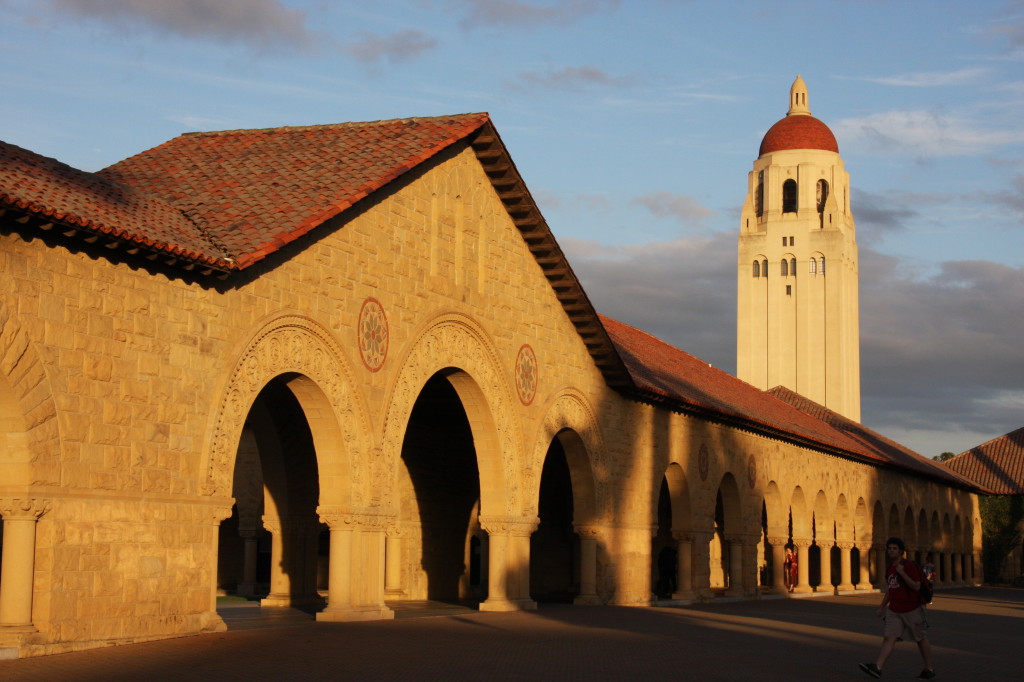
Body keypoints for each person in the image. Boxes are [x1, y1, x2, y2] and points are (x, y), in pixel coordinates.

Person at [860, 537, 935, 679]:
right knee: (889, 638)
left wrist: (902, 573)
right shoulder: (890, 569)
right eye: (889, 548)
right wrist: (882, 607)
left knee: (920, 638)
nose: (891, 551)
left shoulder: (909, 566)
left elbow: (916, 586)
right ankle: (878, 667)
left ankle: (929, 668)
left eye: (894, 548)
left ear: (901, 551)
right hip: (894, 610)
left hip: (912, 609)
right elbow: (891, 589)